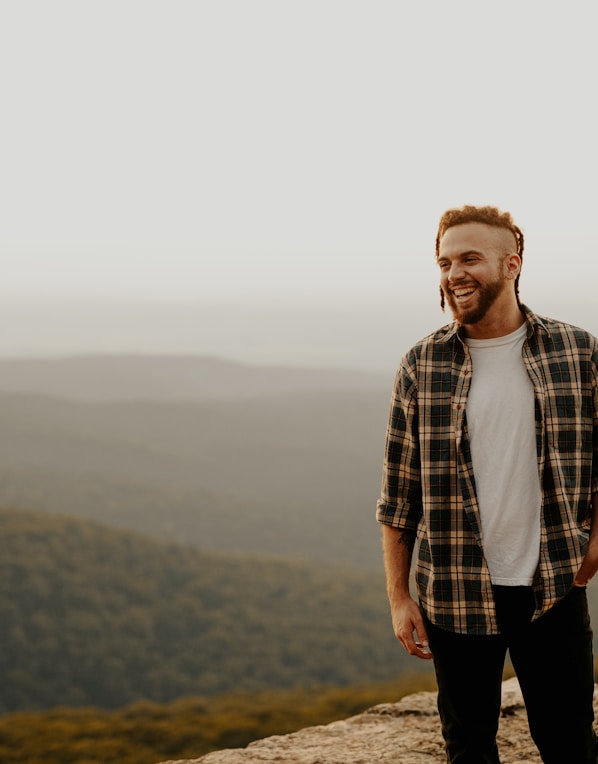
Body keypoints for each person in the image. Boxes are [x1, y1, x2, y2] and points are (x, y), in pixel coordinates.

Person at [376, 204, 598, 763]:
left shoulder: (577, 352)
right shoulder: (422, 364)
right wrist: (400, 597)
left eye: (470, 258)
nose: (455, 274)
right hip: (453, 593)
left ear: (512, 264)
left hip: (553, 587)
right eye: (445, 262)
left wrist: (597, 540)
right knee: (469, 748)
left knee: (571, 743)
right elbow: (398, 495)